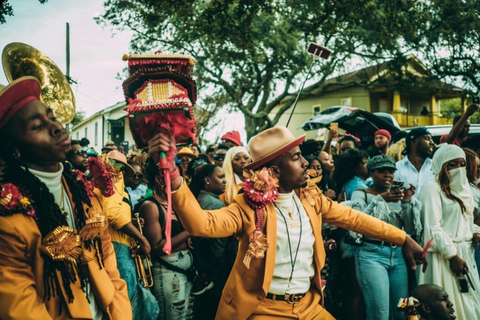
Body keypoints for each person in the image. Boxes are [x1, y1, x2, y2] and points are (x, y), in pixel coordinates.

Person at [147, 125, 427, 320]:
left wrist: (403, 238)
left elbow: (354, 218)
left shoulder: (311, 198)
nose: (306, 163)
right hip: (262, 310)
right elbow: (202, 225)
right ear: (273, 171)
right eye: (296, 158)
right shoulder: (247, 207)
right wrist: (173, 176)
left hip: (309, 306)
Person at [0, 76, 131, 319]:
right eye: (37, 126)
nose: (57, 127)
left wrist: (121, 311)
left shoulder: (84, 193)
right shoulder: (7, 218)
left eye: (52, 117)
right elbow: (20, 307)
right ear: (13, 149)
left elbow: (108, 261)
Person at [351, 155, 422, 320]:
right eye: (382, 171)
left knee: (402, 310)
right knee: (379, 313)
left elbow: (410, 229)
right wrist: (380, 199)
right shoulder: (360, 193)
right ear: (371, 173)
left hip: (397, 255)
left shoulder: (396, 196)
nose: (387, 175)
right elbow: (357, 222)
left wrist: (406, 201)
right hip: (371, 254)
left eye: (391, 171)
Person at [418, 144, 480, 319]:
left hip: (465, 254)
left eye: (462, 164)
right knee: (448, 304)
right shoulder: (431, 188)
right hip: (444, 256)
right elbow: (432, 228)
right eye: (452, 164)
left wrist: (474, 232)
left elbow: (465, 222)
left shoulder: (462, 189)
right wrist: (452, 255)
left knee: (470, 303)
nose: (458, 169)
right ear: (441, 165)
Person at [103, 150, 159, 320]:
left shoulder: (119, 186)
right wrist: (141, 238)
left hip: (120, 247)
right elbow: (112, 213)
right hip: (117, 248)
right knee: (126, 301)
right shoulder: (112, 181)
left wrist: (131, 224)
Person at [139, 157, 194, 320]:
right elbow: (157, 248)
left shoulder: (176, 202)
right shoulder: (150, 207)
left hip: (185, 271)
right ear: (158, 178)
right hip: (167, 273)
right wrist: (189, 232)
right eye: (173, 172)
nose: (179, 175)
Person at [189, 164, 237, 319]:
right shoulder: (213, 204)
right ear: (207, 180)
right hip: (214, 266)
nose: (225, 181)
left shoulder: (204, 198)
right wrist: (223, 268)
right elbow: (217, 244)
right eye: (220, 177)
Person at [395, 127, 436, 197]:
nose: (432, 143)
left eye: (431, 139)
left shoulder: (435, 166)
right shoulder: (397, 168)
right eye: (427, 139)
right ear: (414, 142)